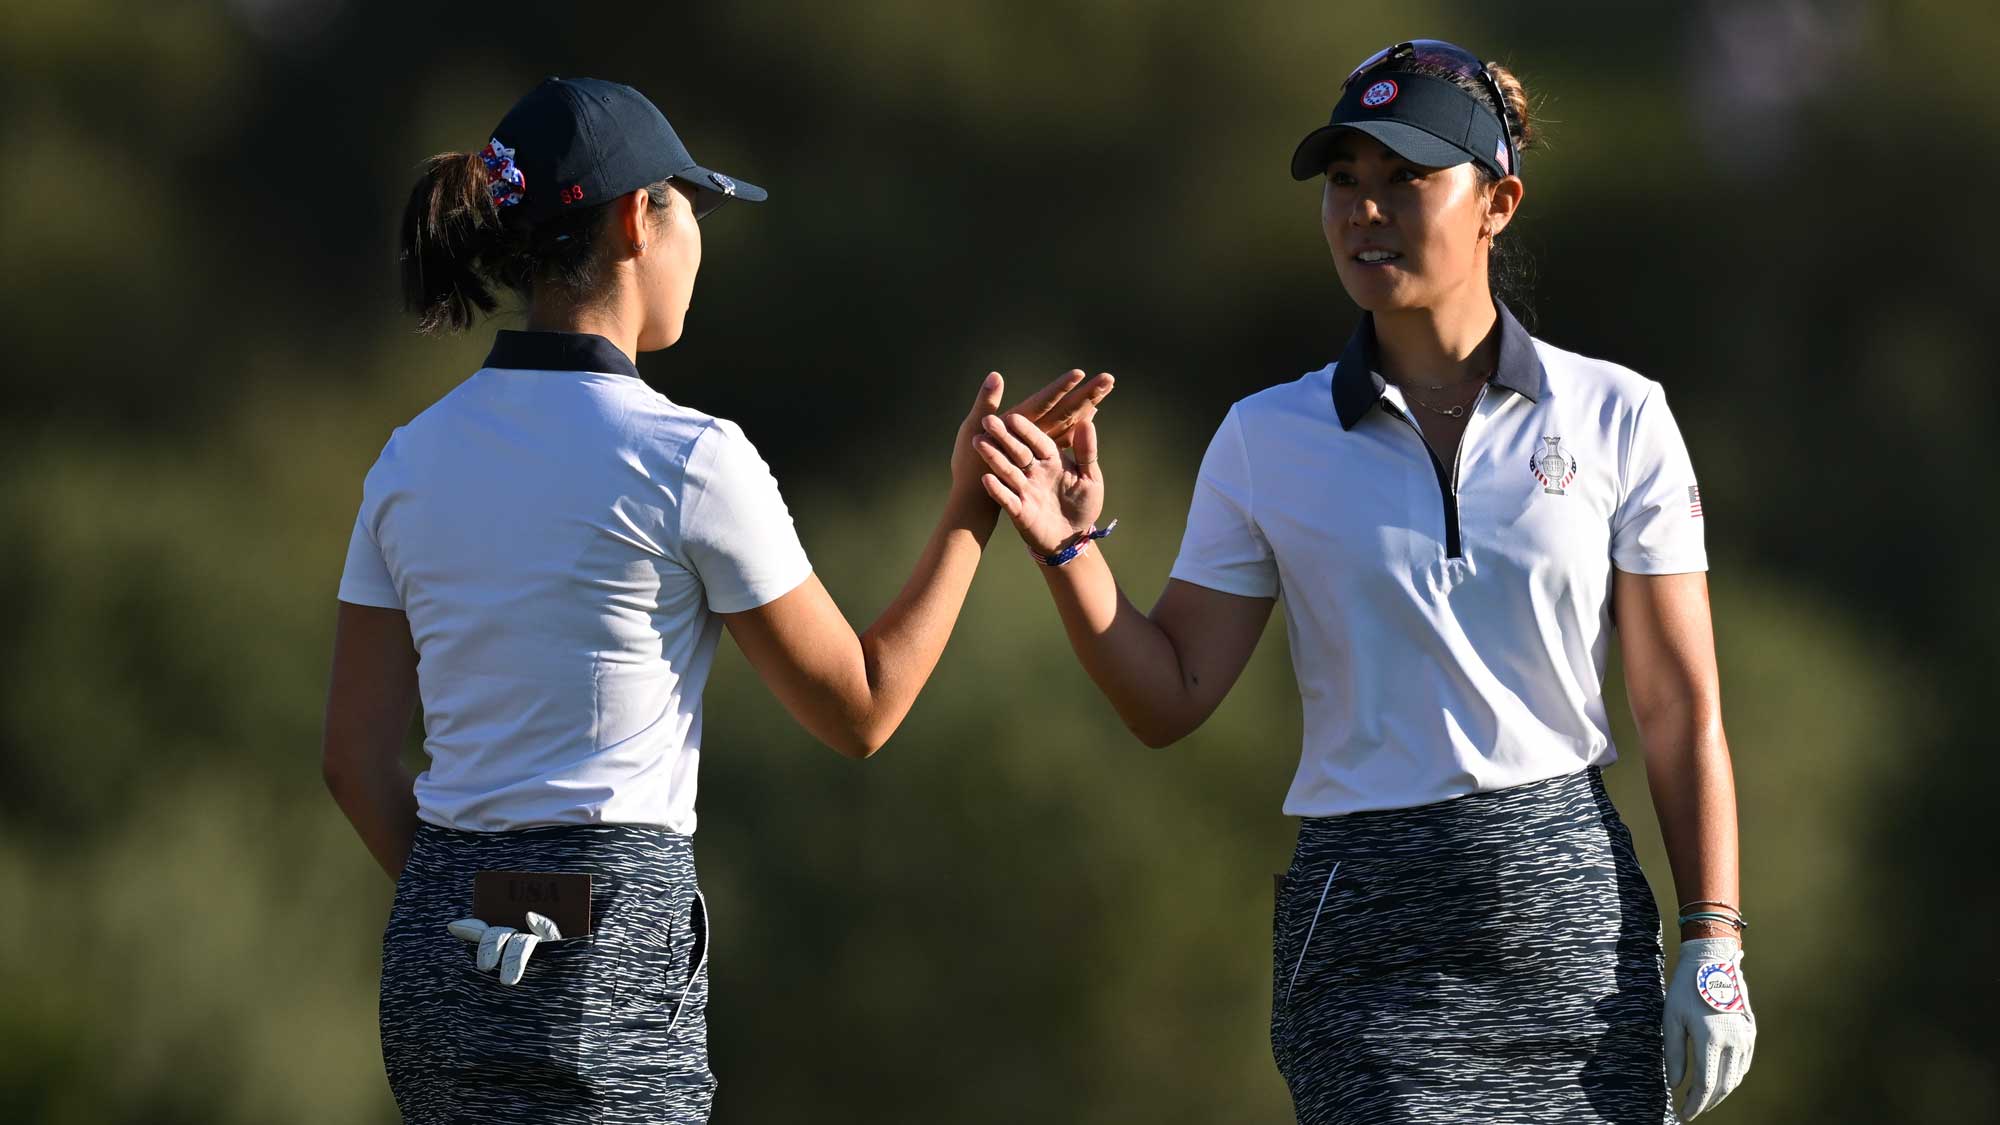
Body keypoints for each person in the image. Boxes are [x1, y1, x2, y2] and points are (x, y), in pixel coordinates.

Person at [974, 40, 1754, 1123]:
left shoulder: (1619, 415)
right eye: (1343, 180)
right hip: (1367, 940)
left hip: (1573, 935)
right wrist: (1071, 552)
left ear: (1497, 204)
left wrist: (1712, 937)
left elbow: (1678, 708)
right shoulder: (1265, 437)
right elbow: (1169, 696)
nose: (1364, 211)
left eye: (1405, 178)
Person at [319, 76, 1109, 1125]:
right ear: (635, 220)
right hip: (600, 942)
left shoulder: (409, 460)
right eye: (690, 206)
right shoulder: (688, 458)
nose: (699, 238)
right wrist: (971, 506)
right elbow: (862, 707)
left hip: (438, 956)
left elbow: (354, 760)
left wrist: (470, 899)